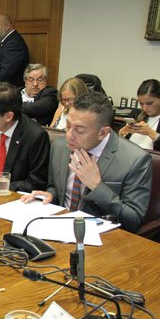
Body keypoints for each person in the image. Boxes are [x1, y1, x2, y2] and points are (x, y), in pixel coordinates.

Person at [22, 92, 152, 233]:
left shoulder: (135, 160)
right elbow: (55, 188)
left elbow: (134, 220)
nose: (69, 135)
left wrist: (96, 186)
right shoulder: (60, 146)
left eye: (79, 130)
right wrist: (50, 196)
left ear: (103, 133)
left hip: (103, 238)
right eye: (68, 125)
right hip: (58, 227)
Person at [0, 82, 50, 192]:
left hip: (13, 199)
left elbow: (36, 183)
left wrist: (0, 187)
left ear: (9, 116)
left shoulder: (35, 136)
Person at [0, 14, 30, 87]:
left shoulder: (14, 43)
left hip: (7, 94)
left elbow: (6, 73)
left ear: (7, 26)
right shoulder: (7, 41)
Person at [118, 79, 160, 150]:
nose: (145, 108)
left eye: (149, 103)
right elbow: (117, 140)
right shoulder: (136, 113)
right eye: (141, 103)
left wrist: (151, 133)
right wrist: (123, 132)